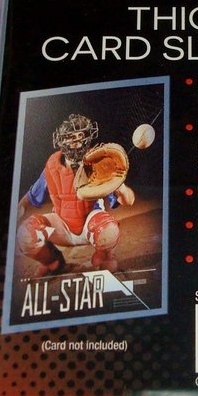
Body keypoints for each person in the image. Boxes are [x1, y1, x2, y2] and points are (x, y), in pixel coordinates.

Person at [15, 113, 135, 276]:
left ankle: (102, 259)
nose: (76, 141)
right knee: (25, 233)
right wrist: (15, 216)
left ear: (88, 137)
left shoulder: (98, 162)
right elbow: (28, 200)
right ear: (61, 140)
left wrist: (120, 185)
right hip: (61, 227)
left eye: (81, 136)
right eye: (71, 137)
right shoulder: (52, 167)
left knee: (109, 230)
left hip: (91, 226)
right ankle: (52, 262)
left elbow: (129, 201)